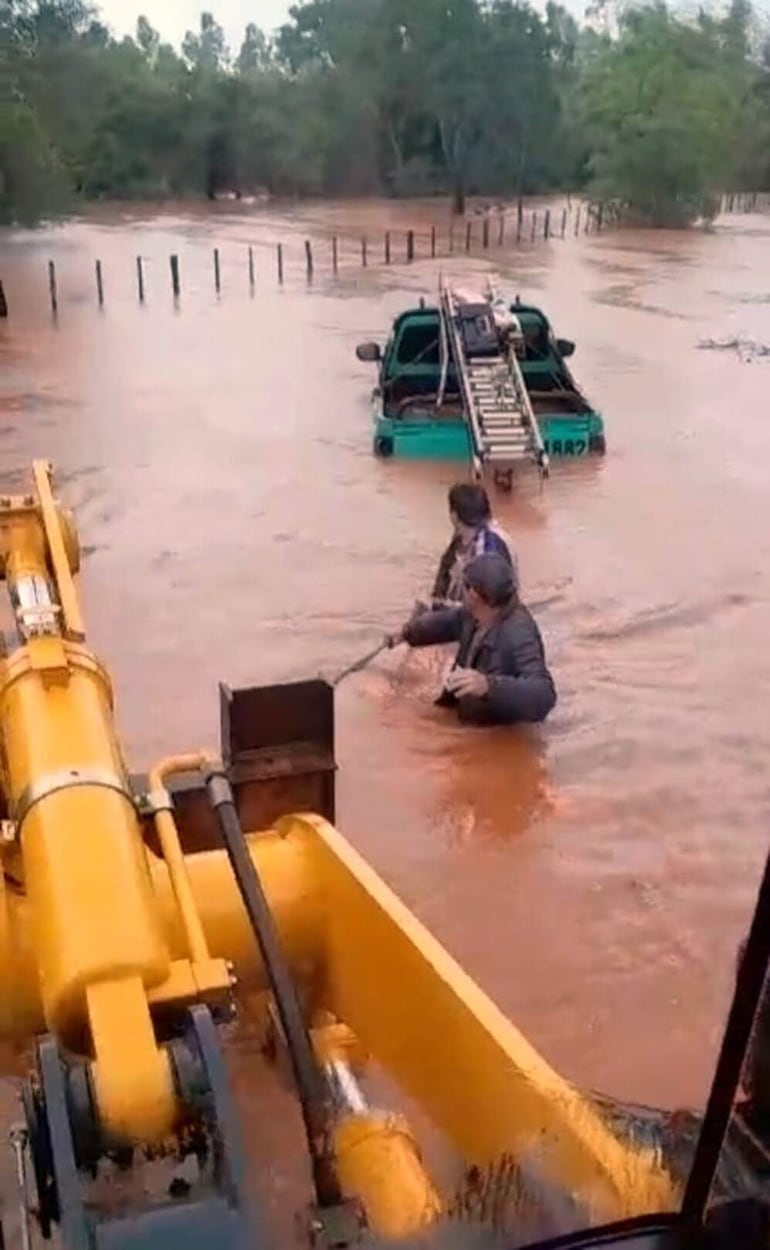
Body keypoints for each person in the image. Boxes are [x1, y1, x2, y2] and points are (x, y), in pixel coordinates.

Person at [392, 553, 556, 727]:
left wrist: (489, 686)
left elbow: (544, 694)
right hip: (469, 719)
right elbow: (444, 623)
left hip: (495, 733)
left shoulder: (519, 633)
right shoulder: (472, 615)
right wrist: (407, 633)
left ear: (473, 594)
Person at [431, 482, 518, 608]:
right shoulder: (464, 540)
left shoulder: (488, 546)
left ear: (454, 516)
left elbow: (487, 604)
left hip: (489, 619)